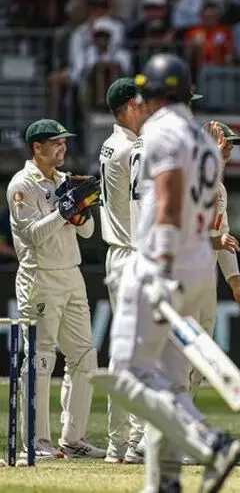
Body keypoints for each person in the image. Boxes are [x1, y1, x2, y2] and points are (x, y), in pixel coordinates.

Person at [90, 53, 240, 492]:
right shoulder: (204, 142)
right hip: (197, 263)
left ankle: (210, 442)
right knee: (171, 380)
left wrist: (158, 265)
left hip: (163, 259)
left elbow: (171, 202)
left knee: (127, 371)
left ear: (153, 95)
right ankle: (165, 480)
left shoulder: (159, 131)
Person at [6, 119, 105, 459]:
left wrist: (81, 211)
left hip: (72, 275)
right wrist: (65, 210)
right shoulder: (22, 184)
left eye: (65, 142)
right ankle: (36, 441)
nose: (63, 148)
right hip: (40, 277)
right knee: (41, 357)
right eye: (56, 143)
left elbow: (88, 232)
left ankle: (73, 439)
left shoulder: (65, 180)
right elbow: (33, 234)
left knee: (85, 357)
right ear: (37, 147)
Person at [99, 77, 149, 464]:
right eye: (143, 101)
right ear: (131, 106)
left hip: (118, 253)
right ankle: (134, 440)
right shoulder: (132, 149)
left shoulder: (111, 144)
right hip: (132, 252)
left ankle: (120, 442)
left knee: (125, 351)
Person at [194, 120, 240, 398]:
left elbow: (223, 236)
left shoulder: (219, 188)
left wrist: (237, 285)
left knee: (201, 352)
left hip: (207, 276)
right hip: (184, 276)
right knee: (182, 350)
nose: (228, 148)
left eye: (230, 144)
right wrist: (216, 242)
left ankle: (185, 414)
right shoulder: (192, 181)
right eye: (223, 143)